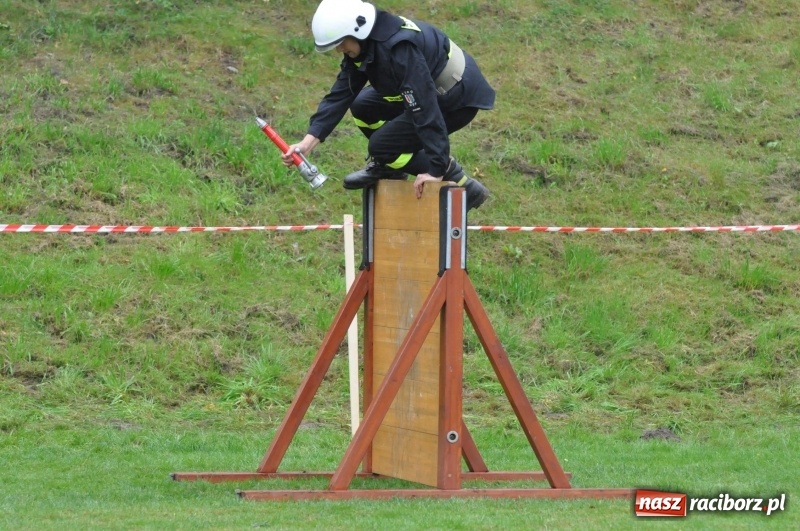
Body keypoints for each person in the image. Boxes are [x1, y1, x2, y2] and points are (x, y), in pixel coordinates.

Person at [280, 0, 495, 210]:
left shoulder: (398, 50)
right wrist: (307, 143)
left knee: (381, 146)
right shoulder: (366, 43)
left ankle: (459, 182)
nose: (339, 50)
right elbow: (341, 94)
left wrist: (436, 169)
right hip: (427, 90)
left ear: (357, 30)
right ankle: (389, 168)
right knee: (362, 105)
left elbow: (424, 107)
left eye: (341, 43)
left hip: (456, 98)